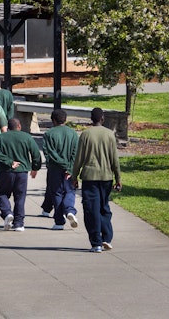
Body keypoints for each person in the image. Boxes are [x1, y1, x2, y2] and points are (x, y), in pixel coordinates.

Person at [71, 107, 122, 253]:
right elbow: (114, 159)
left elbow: (79, 158)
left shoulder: (85, 135)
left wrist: (74, 177)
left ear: (91, 119)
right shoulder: (109, 135)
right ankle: (107, 237)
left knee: (91, 210)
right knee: (103, 207)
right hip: (106, 177)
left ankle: (96, 242)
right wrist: (118, 178)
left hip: (90, 177)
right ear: (103, 119)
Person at [0, 117, 42, 231]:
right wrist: (35, 168)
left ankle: (7, 212)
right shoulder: (27, 137)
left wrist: (9, 162)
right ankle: (19, 223)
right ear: (19, 126)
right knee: (20, 197)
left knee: (2, 194)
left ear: (8, 128)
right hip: (22, 172)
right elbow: (36, 154)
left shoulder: (2, 137)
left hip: (7, 171)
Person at [42, 109, 79, 230]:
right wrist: (69, 167)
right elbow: (76, 153)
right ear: (65, 120)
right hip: (70, 168)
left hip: (54, 168)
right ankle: (69, 210)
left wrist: (61, 163)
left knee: (56, 193)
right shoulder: (73, 134)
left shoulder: (48, 134)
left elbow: (49, 153)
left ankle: (59, 221)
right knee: (69, 191)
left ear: (53, 120)